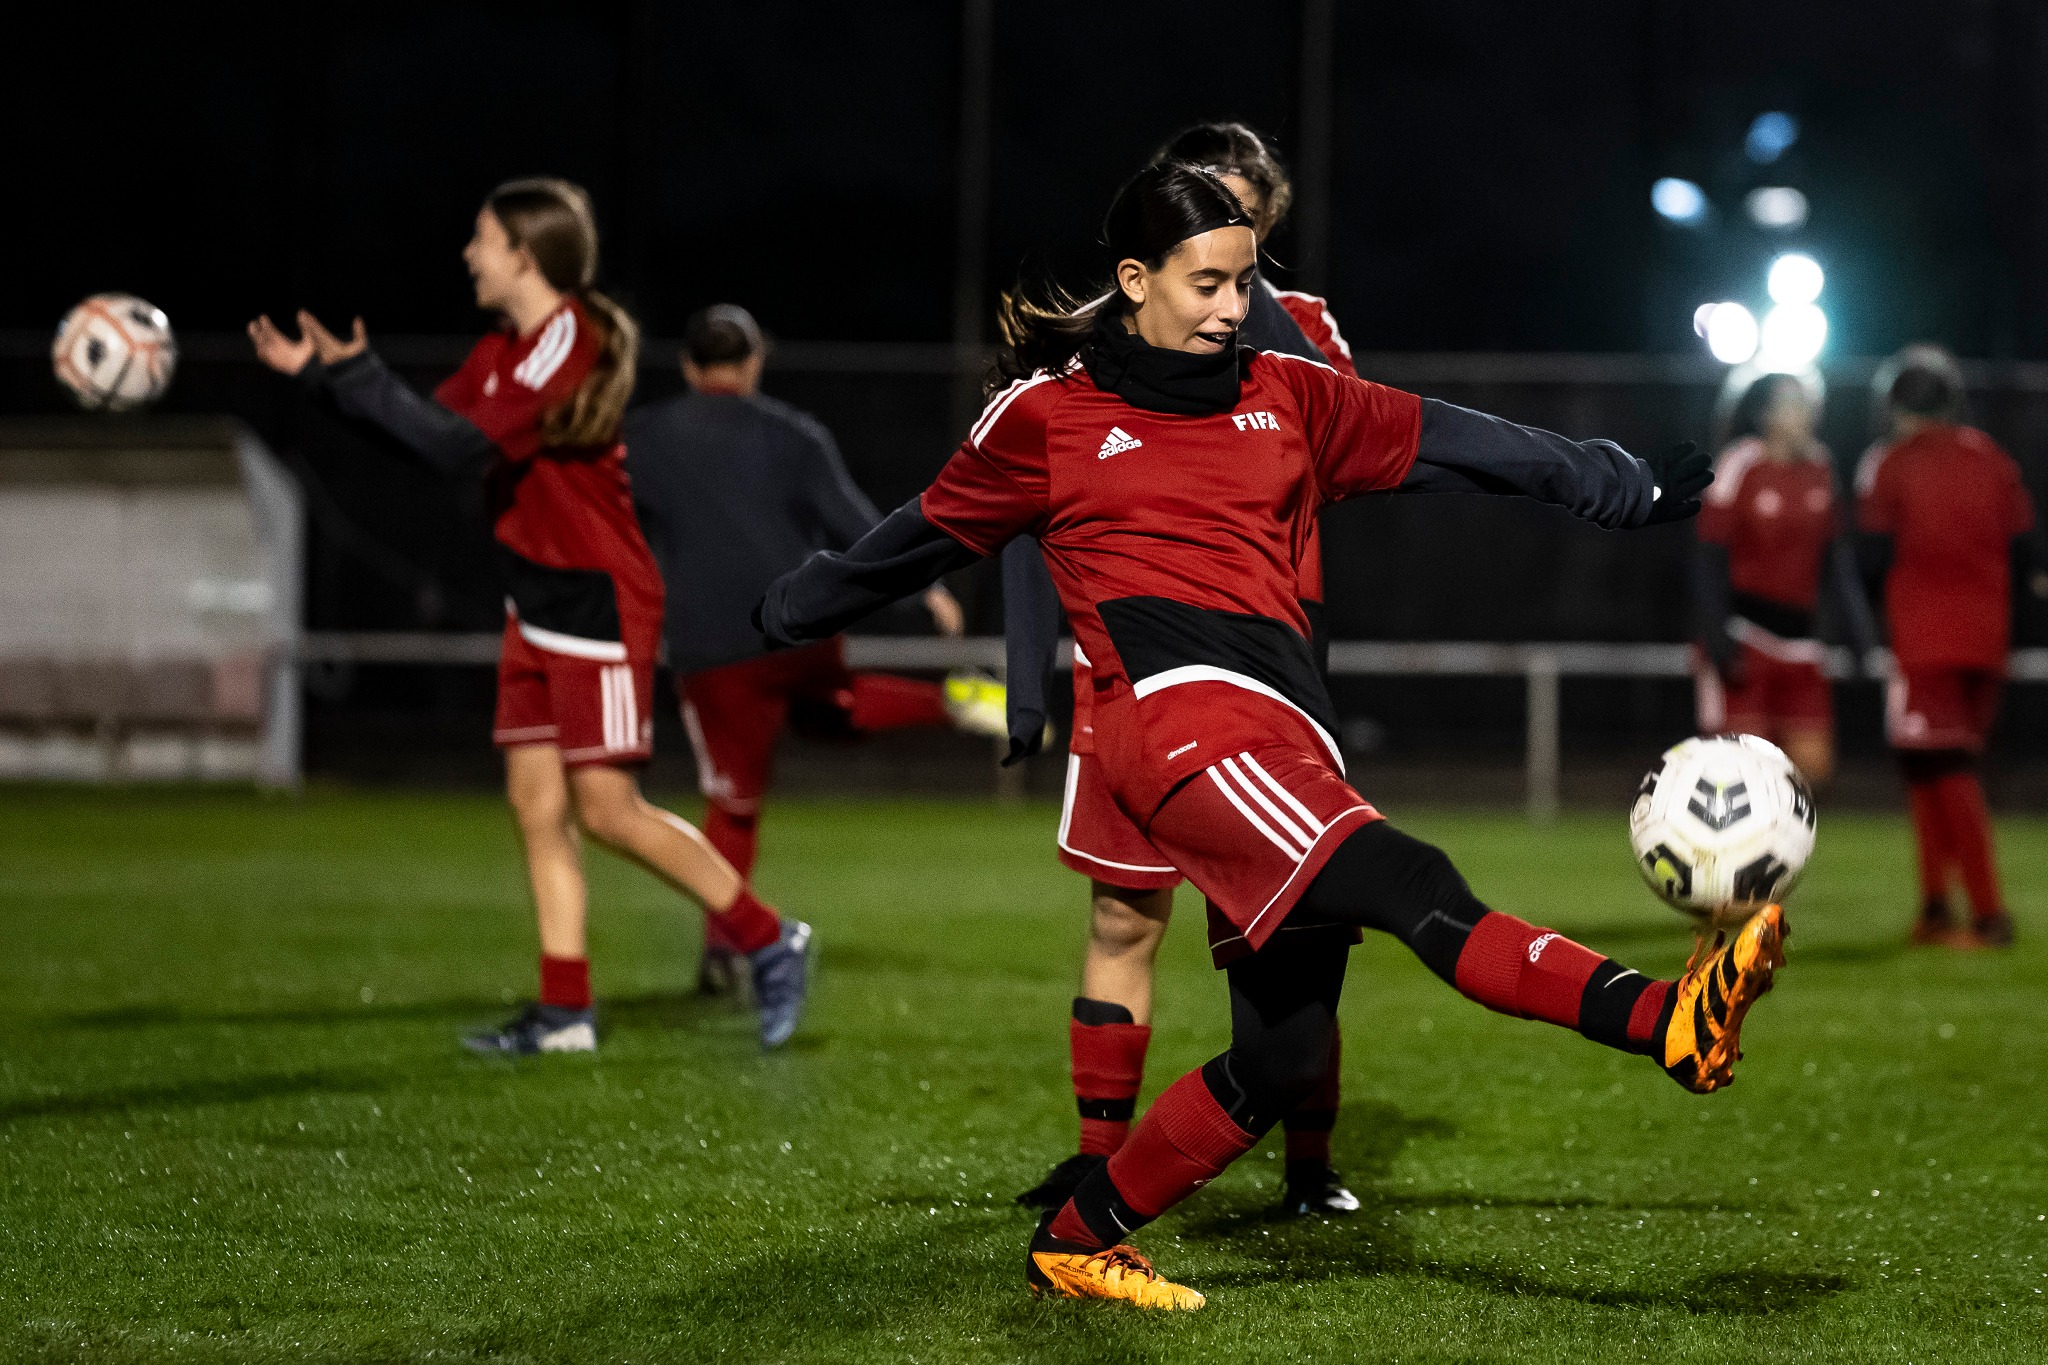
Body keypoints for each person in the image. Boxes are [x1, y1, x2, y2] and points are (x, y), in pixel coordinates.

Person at [761, 163, 1781, 1310]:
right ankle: (1665, 1020)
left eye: (1243, 284)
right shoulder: (1050, 418)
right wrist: (793, 607)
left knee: (1282, 1057)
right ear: (1135, 278)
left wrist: (1619, 485)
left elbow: (1456, 440)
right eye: (1204, 284)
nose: (1226, 310)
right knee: (1412, 879)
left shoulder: (1285, 396)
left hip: (1287, 735)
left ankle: (1078, 1236)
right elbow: (922, 534)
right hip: (1180, 731)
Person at [248, 178, 812, 1051]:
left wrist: (352, 374)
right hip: (537, 600)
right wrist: (329, 381)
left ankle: (771, 937)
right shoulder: (499, 352)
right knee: (536, 805)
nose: (469, 254)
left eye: (480, 239)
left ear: (523, 253)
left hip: (597, 598)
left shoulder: (569, 338)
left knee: (609, 810)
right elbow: (424, 434)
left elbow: (451, 443)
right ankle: (564, 1012)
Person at [1006, 123, 1364, 1222]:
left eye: (1246, 214)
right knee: (1121, 916)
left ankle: (1309, 1166)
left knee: (1291, 932)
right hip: (1130, 665)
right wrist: (1027, 670)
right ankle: (1091, 1157)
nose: (1226, 227)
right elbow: (1027, 496)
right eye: (1204, 205)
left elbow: (1338, 447)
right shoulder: (1101, 352)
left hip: (1263, 664)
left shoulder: (1297, 335)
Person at [623, 303, 1004, 992]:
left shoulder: (645, 438)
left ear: (687, 365)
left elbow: (617, 535)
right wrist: (926, 589)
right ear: (753, 363)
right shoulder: (794, 435)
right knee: (833, 709)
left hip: (714, 645)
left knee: (733, 804)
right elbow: (857, 521)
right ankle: (953, 701)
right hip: (799, 625)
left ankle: (725, 955)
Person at [1857, 346, 2042, 948]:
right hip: (1988, 637)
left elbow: (1871, 553)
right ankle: (1936, 908)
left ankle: (1990, 916)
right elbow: (2025, 549)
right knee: (1929, 769)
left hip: (1923, 638)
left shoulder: (1889, 462)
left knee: (1944, 768)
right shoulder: (1990, 457)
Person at [1692, 371, 1876, 785]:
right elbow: (1708, 558)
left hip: (1801, 643)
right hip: (1745, 635)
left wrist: (1858, 630)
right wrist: (1715, 635)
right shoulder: (1740, 463)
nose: (1803, 415)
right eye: (1791, 406)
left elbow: (1836, 560)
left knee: (1812, 773)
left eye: (1807, 406)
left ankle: (1780, 850)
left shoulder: (1822, 468)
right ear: (1766, 416)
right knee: (1740, 774)